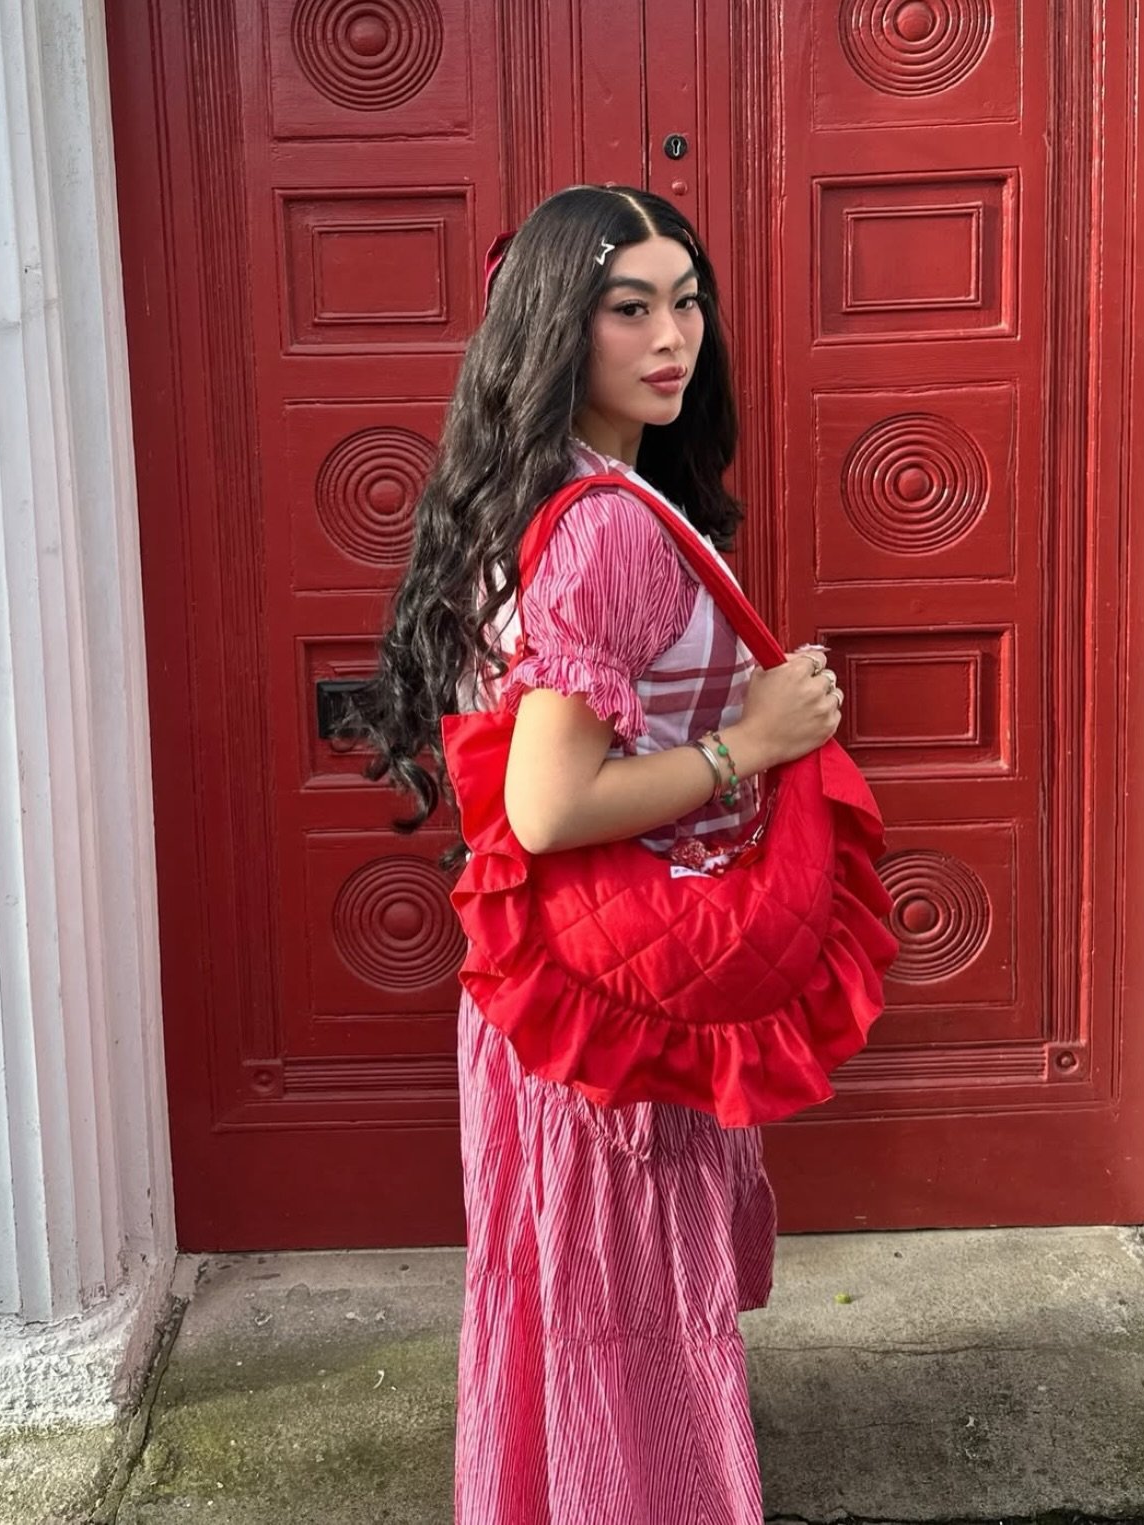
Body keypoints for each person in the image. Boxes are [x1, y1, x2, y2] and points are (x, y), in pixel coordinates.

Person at [354, 184, 843, 1524]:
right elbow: (552, 803)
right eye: (629, 308)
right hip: (618, 1008)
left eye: (686, 302)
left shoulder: (533, 500)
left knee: (557, 1316)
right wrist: (755, 740)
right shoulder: (609, 529)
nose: (672, 337)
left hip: (545, 997)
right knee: (628, 1330)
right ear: (555, 327)